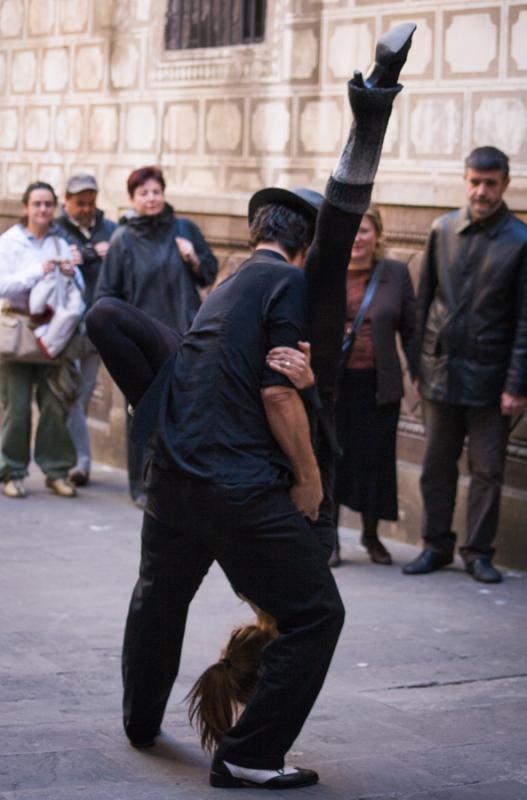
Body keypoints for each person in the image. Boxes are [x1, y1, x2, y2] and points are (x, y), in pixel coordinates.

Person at [112, 23, 415, 790]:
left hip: (173, 481)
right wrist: (309, 478)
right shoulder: (284, 283)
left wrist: (153, 411)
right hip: (236, 488)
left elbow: (124, 329)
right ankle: (247, 755)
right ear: (306, 246)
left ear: (256, 232)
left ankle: (141, 722)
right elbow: (278, 388)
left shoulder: (225, 290)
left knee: (158, 597)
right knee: (316, 615)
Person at [402, 146, 527, 584]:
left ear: (505, 185)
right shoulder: (443, 229)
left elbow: (525, 320)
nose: (481, 191)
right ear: (465, 180)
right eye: (474, 181)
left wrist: (516, 384)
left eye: (490, 183)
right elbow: (423, 303)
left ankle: (479, 552)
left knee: (488, 469)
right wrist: (417, 367)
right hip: (440, 373)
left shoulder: (520, 240)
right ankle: (435, 545)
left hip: (493, 381)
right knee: (436, 465)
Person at [94, 166, 218, 507]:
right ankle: (141, 485)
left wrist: (192, 258)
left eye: (156, 191)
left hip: (182, 334)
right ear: (132, 199)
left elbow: (209, 272)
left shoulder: (184, 229)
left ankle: (180, 481)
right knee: (141, 410)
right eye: (143, 193)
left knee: (184, 411)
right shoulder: (123, 240)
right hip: (139, 340)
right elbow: (106, 294)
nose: (151, 198)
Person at [332, 205, 416, 567]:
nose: (357, 239)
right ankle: (330, 540)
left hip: (379, 386)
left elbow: (412, 329)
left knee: (376, 463)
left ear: (377, 234)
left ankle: (371, 534)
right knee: (332, 460)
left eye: (364, 231)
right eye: (351, 231)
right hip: (335, 385)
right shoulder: (327, 272)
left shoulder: (395, 273)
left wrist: (420, 375)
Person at [0, 182, 81, 498]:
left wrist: (72, 272)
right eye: (37, 204)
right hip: (17, 333)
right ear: (26, 207)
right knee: (15, 407)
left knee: (55, 404)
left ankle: (56, 471)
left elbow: (76, 288)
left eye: (48, 204)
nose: (43, 210)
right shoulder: (10, 242)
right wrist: (37, 271)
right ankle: (11, 471)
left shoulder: (61, 244)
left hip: (52, 335)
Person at [56, 173, 117, 487]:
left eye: (91, 202)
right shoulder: (55, 231)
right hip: (62, 328)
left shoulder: (110, 230)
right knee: (67, 396)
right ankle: (75, 461)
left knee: (80, 396)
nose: (86, 208)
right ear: (66, 201)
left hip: (96, 328)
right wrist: (91, 255)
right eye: (79, 202)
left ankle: (76, 462)